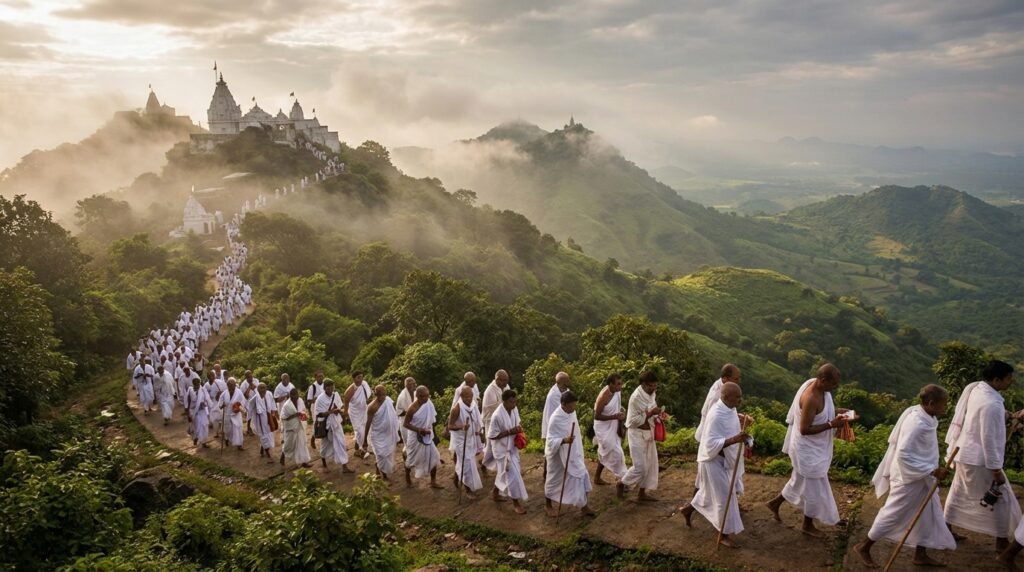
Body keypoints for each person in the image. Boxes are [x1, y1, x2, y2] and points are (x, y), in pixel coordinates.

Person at [854, 384, 956, 568]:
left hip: (922, 476)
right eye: (943, 404)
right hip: (908, 478)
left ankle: (920, 554)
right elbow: (903, 454)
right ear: (931, 403)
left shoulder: (925, 415)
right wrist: (932, 470)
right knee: (892, 514)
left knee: (927, 513)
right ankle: (864, 546)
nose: (946, 407)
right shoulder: (917, 424)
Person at [767, 364, 853, 537]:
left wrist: (843, 414)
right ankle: (807, 524)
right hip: (807, 451)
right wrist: (831, 424)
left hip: (815, 449)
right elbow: (804, 429)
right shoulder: (811, 397)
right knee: (814, 489)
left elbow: (822, 412)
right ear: (823, 380)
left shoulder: (821, 390)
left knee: (798, 481)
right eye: (833, 384)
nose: (835, 388)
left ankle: (775, 503)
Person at [945, 360, 1020, 552]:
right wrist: (996, 470)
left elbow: (983, 416)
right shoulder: (991, 404)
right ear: (996, 380)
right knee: (1001, 498)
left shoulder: (977, 389)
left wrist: (1010, 416)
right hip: (980, 460)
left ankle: (946, 527)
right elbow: (988, 438)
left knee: (959, 491)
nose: (1010, 382)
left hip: (964, 452)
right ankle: (1001, 540)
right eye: (1008, 379)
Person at [680, 382, 749, 548]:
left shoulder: (730, 409)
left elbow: (730, 428)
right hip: (711, 461)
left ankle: (688, 510)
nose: (739, 401)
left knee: (708, 494)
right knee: (724, 497)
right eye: (737, 398)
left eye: (740, 398)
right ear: (725, 397)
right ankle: (723, 534)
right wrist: (735, 439)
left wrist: (742, 428)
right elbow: (710, 443)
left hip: (723, 460)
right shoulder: (716, 414)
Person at [694, 364, 745, 490]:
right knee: (709, 474)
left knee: (713, 475)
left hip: (719, 436)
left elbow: (726, 412)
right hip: (712, 436)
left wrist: (737, 417)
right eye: (736, 379)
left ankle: (730, 498)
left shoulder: (723, 387)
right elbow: (715, 418)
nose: (738, 382)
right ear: (726, 378)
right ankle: (693, 506)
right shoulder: (717, 395)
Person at [544, 390, 594, 517]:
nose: (573, 408)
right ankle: (548, 505)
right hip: (557, 455)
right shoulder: (555, 418)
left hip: (572, 452)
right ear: (563, 404)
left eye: (574, 405)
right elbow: (550, 441)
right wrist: (564, 440)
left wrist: (575, 446)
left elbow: (575, 430)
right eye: (571, 406)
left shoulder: (572, 413)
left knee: (583, 475)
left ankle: (584, 506)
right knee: (554, 480)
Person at [618, 370, 663, 502]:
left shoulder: (651, 393)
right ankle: (622, 483)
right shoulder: (636, 398)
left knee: (650, 464)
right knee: (640, 467)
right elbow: (632, 421)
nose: (653, 388)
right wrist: (650, 413)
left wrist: (658, 415)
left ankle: (642, 493)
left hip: (649, 432)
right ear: (643, 384)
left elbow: (652, 408)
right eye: (651, 386)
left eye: (655, 386)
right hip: (636, 434)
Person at [489, 388, 527, 514]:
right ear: (504, 401)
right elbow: (492, 436)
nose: (513, 404)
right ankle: (516, 503)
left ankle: (495, 492)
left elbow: (518, 423)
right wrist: (510, 431)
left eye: (515, 402)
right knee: (513, 477)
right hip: (502, 449)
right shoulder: (497, 416)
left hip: (512, 447)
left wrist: (519, 431)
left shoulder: (514, 409)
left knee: (503, 473)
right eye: (511, 402)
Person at [404, 386, 443, 489]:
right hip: (415, 438)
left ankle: (433, 481)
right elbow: (406, 424)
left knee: (434, 457)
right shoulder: (412, 409)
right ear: (418, 396)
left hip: (427, 436)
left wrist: (428, 431)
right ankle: (407, 476)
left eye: (427, 396)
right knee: (411, 460)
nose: (426, 398)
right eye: (424, 396)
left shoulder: (428, 403)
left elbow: (431, 418)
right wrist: (419, 430)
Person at [448, 386, 484, 497]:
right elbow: (450, 426)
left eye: (471, 396)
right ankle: (468, 489)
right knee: (467, 463)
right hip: (461, 440)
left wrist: (480, 432)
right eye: (467, 396)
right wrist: (461, 427)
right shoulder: (456, 408)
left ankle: (456, 477)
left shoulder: (473, 404)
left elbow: (478, 419)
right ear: (461, 396)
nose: (469, 398)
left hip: (471, 438)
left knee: (464, 462)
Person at [593, 373, 627, 485]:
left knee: (606, 452)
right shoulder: (604, 396)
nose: (620, 386)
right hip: (603, 428)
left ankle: (597, 477)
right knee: (617, 453)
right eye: (618, 384)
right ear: (610, 384)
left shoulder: (617, 393)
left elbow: (616, 408)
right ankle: (622, 478)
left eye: (620, 384)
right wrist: (615, 416)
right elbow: (596, 416)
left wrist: (620, 413)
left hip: (613, 425)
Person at [313, 380, 353, 473]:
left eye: (332, 387)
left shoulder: (336, 395)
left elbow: (341, 407)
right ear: (324, 388)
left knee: (341, 444)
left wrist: (339, 411)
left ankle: (344, 466)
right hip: (327, 426)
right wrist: (330, 412)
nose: (331, 389)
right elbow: (319, 414)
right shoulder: (320, 399)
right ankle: (324, 464)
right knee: (325, 446)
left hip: (336, 424)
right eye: (328, 387)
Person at [364, 385, 400, 482]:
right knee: (381, 454)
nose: (383, 396)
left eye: (384, 394)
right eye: (381, 394)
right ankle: (383, 474)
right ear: (376, 394)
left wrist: (396, 429)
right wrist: (364, 441)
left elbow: (392, 415)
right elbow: (368, 423)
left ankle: (380, 471)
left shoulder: (388, 401)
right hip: (377, 435)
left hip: (389, 434)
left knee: (386, 455)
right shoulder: (372, 407)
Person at [542, 371, 571, 479]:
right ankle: (546, 473)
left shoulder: (566, 391)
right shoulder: (553, 395)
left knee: (561, 450)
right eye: (567, 380)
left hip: (563, 425)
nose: (569, 381)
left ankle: (561, 472)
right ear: (562, 382)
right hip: (553, 426)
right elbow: (554, 414)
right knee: (550, 451)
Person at [481, 370, 510, 474]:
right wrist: (504, 404)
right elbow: (489, 408)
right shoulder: (490, 390)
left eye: (507, 380)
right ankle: (485, 464)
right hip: (491, 420)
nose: (505, 383)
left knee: (502, 443)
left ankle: (500, 467)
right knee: (492, 444)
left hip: (504, 420)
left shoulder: (506, 387)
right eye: (503, 380)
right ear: (498, 379)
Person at [280, 387, 311, 468]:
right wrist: (294, 415)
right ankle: (283, 455)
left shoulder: (300, 400)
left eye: (296, 394)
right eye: (293, 395)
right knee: (289, 445)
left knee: (302, 443)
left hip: (300, 425)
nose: (295, 396)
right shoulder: (287, 405)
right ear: (290, 396)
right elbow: (283, 417)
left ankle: (304, 462)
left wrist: (305, 416)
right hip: (291, 427)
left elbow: (303, 410)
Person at [344, 371, 373, 458]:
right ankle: (361, 449)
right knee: (360, 430)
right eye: (358, 377)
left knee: (365, 428)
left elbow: (368, 394)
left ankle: (359, 447)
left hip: (364, 410)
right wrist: (345, 413)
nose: (360, 379)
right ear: (353, 379)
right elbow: (346, 402)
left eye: (361, 377)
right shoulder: (350, 390)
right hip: (354, 413)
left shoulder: (364, 384)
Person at [217, 377, 246, 451]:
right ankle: (227, 439)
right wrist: (222, 405)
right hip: (227, 414)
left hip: (236, 414)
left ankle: (239, 445)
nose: (231, 386)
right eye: (229, 385)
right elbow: (220, 404)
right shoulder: (224, 393)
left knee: (238, 429)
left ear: (235, 385)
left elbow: (243, 402)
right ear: (227, 385)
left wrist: (238, 406)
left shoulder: (239, 392)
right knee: (228, 430)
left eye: (232, 384)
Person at [250, 383, 276, 462]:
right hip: (259, 420)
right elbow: (249, 407)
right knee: (263, 435)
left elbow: (272, 404)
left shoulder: (269, 394)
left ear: (266, 388)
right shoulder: (254, 398)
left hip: (268, 418)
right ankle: (268, 454)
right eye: (261, 388)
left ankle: (262, 448)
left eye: (264, 388)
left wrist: (274, 413)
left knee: (269, 434)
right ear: (257, 390)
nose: (262, 390)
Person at [186, 378, 213, 448]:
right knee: (197, 427)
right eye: (195, 384)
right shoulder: (190, 390)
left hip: (202, 411)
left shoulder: (203, 390)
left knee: (205, 426)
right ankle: (196, 437)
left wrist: (204, 404)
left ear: (199, 383)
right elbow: (188, 401)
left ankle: (204, 442)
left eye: (198, 384)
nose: (197, 385)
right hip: (194, 412)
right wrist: (187, 411)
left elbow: (207, 399)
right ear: (193, 384)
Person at [395, 377, 418, 452]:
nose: (415, 385)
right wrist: (409, 412)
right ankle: (407, 460)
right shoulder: (402, 396)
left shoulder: (416, 393)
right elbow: (398, 412)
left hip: (415, 422)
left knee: (415, 442)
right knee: (408, 443)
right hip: (405, 422)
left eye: (415, 383)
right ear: (407, 385)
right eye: (413, 384)